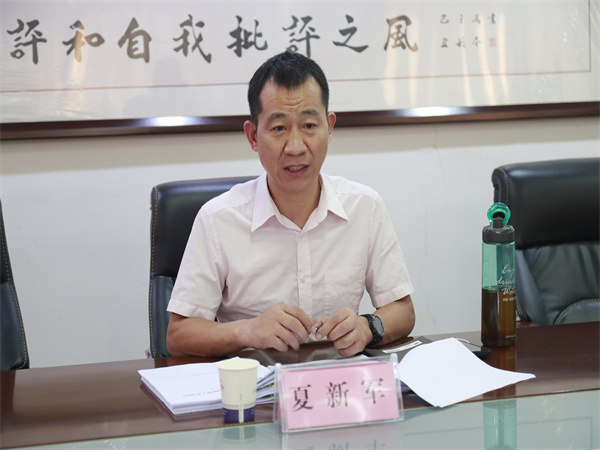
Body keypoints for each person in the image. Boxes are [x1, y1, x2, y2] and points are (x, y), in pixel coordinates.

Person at [166, 51, 415, 357]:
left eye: (309, 125)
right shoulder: (218, 219)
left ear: (329, 127)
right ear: (253, 136)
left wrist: (367, 327)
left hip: (337, 381)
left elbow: (402, 310)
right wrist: (248, 330)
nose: (295, 147)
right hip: (254, 382)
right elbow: (178, 335)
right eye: (279, 128)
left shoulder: (365, 206)